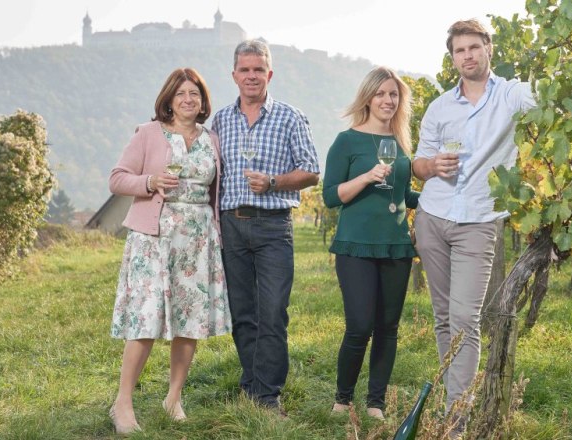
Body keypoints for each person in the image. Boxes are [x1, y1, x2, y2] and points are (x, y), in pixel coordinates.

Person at [412, 19, 537, 430]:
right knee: (444, 318)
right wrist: (431, 166)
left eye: (473, 47)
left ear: (488, 49)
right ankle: (454, 404)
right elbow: (419, 163)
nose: (466, 55)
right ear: (453, 59)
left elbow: (548, 96)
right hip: (433, 217)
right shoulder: (440, 106)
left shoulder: (511, 95)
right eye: (459, 51)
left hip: (478, 224)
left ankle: (456, 420)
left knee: (466, 321)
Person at [107, 67, 231, 433]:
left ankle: (173, 397)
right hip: (155, 238)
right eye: (181, 94)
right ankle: (123, 402)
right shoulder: (148, 133)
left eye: (194, 93)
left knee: (189, 320)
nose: (188, 100)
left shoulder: (212, 139)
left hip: (197, 238)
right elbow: (117, 178)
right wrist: (149, 181)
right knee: (146, 318)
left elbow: (214, 192)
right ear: (169, 99)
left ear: (203, 100)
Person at [211, 39, 320, 414]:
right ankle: (251, 384)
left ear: (269, 74)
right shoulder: (221, 120)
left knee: (272, 311)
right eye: (245, 69)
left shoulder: (290, 117)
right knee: (242, 313)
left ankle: (267, 396)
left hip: (274, 226)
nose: (252, 76)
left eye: (259, 69)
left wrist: (273, 182)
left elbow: (311, 171)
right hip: (232, 226)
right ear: (234, 75)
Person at [322, 67, 419, 420]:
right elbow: (331, 196)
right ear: (368, 97)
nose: (387, 100)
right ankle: (342, 399)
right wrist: (365, 176)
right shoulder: (347, 141)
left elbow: (402, 195)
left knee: (388, 327)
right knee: (360, 325)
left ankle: (375, 402)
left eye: (393, 94)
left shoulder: (401, 145)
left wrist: (435, 197)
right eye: (381, 94)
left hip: (395, 245)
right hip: (355, 246)